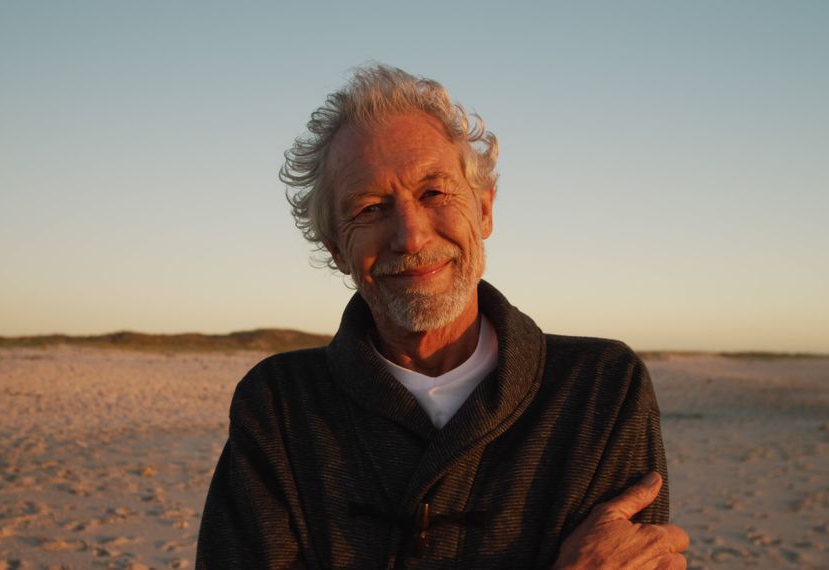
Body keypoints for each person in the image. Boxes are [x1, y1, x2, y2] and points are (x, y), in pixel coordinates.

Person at [196, 64, 689, 569]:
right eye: (369, 207)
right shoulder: (280, 406)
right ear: (337, 250)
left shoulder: (600, 388)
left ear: (484, 210)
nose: (410, 235)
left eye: (433, 192)